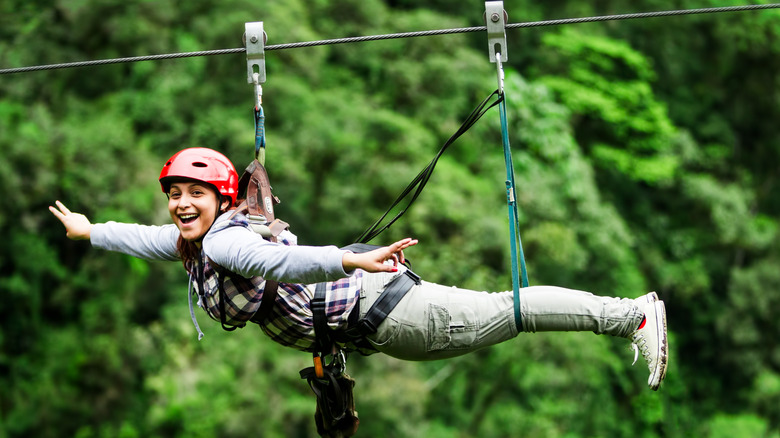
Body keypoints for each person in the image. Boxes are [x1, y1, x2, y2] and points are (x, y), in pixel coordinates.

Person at [49, 147, 668, 391]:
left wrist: (347, 257)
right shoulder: (196, 240)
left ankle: (632, 316)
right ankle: (628, 316)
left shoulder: (224, 246)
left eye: (195, 195)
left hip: (396, 317)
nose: (181, 205)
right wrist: (89, 230)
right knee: (508, 312)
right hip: (379, 317)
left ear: (221, 200)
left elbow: (280, 262)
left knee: (511, 312)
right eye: (174, 194)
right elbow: (145, 238)